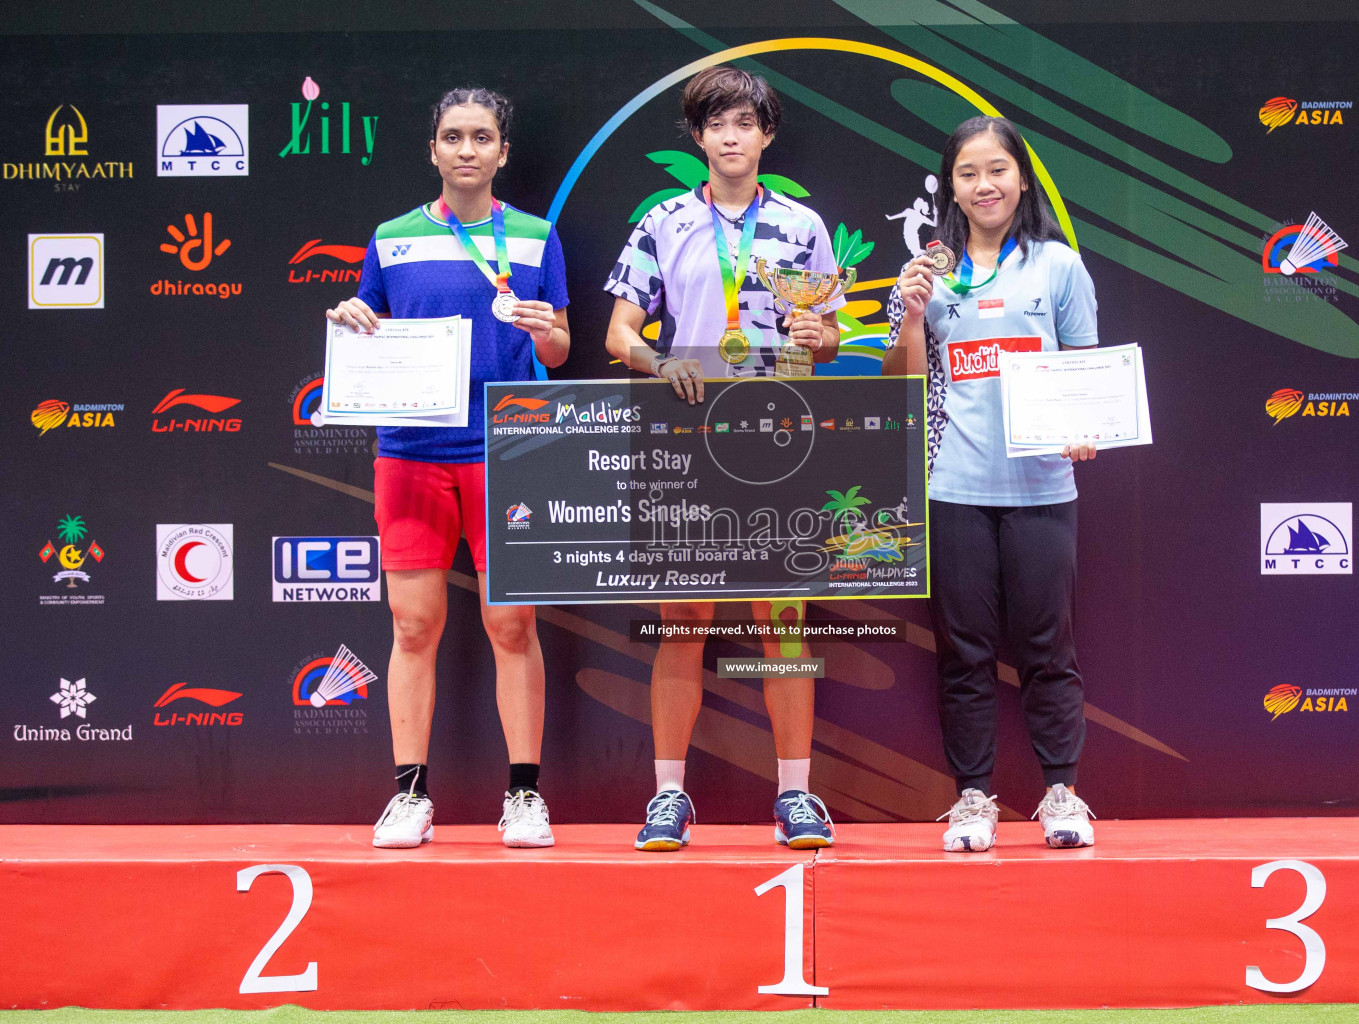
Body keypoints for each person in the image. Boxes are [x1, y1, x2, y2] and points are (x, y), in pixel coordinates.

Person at [603, 65, 843, 851]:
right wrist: (655, 361)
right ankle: (668, 795)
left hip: (779, 437)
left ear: (767, 135)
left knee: (783, 622)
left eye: (746, 123)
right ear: (699, 138)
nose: (732, 136)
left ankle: (796, 797)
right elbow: (619, 335)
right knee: (685, 621)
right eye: (717, 124)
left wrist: (821, 338)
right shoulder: (664, 221)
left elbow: (830, 336)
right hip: (689, 437)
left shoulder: (804, 226)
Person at [326, 87, 570, 850]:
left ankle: (524, 795)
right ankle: (410, 796)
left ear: (503, 152)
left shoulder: (534, 237)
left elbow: (560, 348)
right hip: (412, 451)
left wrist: (544, 329)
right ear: (433, 150)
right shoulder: (391, 238)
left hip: (511, 448)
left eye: (483, 137)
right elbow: (368, 326)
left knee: (512, 623)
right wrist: (351, 319)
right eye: (454, 136)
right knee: (412, 624)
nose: (468, 149)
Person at [884, 115, 1100, 852]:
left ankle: (1061, 794)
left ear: (1022, 179)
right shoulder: (927, 274)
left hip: (1044, 488)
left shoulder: (1058, 266)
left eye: (998, 170)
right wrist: (911, 314)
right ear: (950, 186)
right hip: (954, 489)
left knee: (1048, 648)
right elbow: (903, 388)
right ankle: (973, 799)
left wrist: (1083, 426)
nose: (985, 185)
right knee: (964, 653)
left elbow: (1085, 372)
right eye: (969, 172)